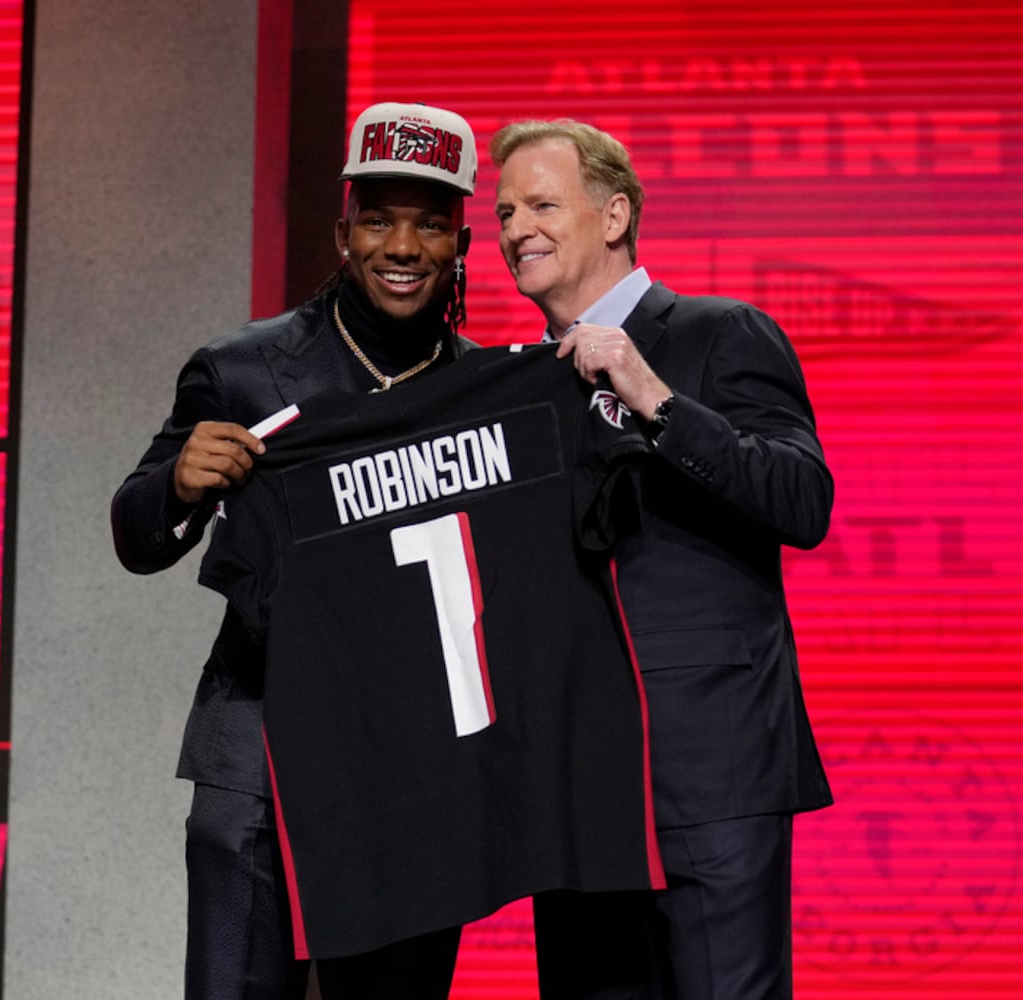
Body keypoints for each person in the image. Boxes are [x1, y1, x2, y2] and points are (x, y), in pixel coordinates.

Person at [111, 101, 477, 1000]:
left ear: (460, 244)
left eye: (430, 225)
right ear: (343, 234)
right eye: (379, 221)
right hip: (259, 742)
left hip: (414, 768)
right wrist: (178, 485)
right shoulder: (242, 368)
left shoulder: (487, 391)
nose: (402, 247)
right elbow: (135, 535)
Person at [489, 119, 834, 999]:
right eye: (503, 214)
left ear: (613, 216)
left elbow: (802, 500)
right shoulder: (518, 383)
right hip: (575, 781)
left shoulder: (720, 333)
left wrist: (654, 397)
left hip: (713, 771)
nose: (516, 229)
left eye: (540, 205)